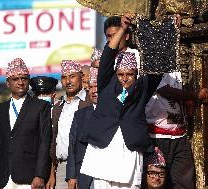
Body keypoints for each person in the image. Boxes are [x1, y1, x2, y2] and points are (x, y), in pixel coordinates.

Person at [78, 14, 162, 189]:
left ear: (137, 75)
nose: (125, 78)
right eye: (121, 74)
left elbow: (158, 66)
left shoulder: (141, 89)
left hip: (129, 148)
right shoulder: (106, 82)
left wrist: (166, 31)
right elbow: (108, 54)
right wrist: (123, 28)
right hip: (103, 145)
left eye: (130, 74)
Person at [145, 72, 208, 189]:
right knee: (155, 182)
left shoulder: (178, 68)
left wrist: (188, 100)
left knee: (184, 182)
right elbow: (164, 90)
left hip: (179, 135)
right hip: (156, 136)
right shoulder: (153, 63)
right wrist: (195, 95)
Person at [0, 58, 52, 189]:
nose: (20, 82)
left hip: (30, 178)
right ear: (8, 83)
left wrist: (40, 175)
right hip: (4, 178)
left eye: (24, 78)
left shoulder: (41, 106)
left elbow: (45, 142)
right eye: (15, 79)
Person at [48, 60, 91, 189]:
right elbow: (53, 141)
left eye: (72, 76)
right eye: (64, 77)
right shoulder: (57, 107)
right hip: (61, 169)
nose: (68, 81)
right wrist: (52, 172)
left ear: (82, 77)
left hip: (85, 166)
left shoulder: (90, 101)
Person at [66, 66, 99, 189]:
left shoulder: (115, 113)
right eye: (90, 87)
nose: (94, 91)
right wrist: (71, 176)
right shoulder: (80, 115)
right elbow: (73, 146)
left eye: (97, 87)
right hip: (85, 175)